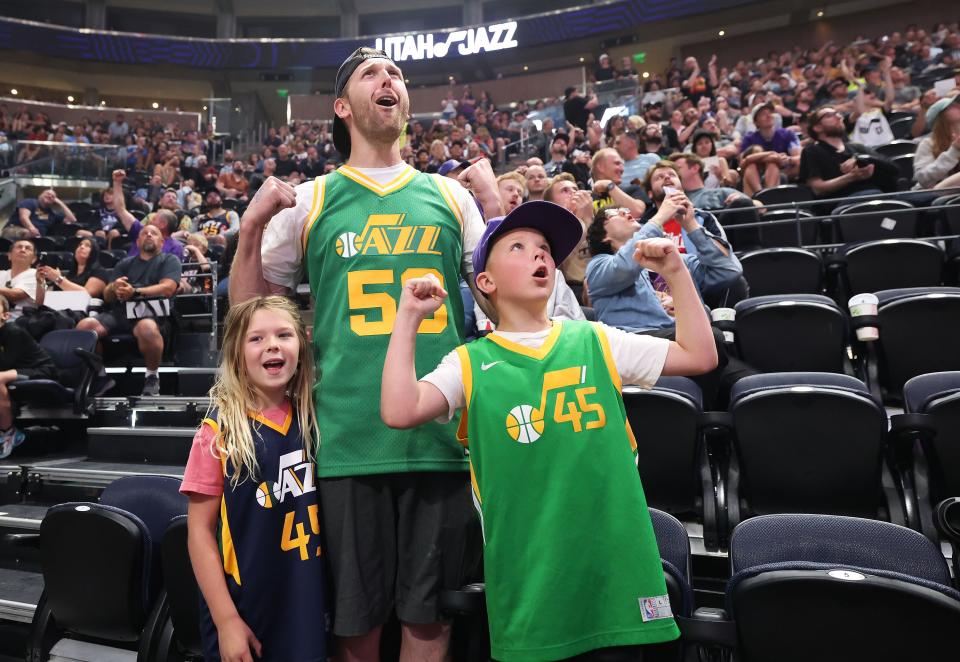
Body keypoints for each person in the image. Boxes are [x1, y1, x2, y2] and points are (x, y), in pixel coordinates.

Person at [229, 47, 495, 661]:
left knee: (432, 624)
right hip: (346, 437)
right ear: (343, 107)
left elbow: (504, 304)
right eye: (372, 74)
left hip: (441, 434)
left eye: (397, 74)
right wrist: (248, 231)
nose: (390, 81)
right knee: (357, 623)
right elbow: (251, 321)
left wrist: (497, 209)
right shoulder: (310, 200)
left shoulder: (451, 197)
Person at [381, 200, 718, 660]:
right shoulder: (468, 363)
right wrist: (408, 318)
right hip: (530, 584)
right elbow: (399, 410)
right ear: (486, 282)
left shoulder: (595, 339)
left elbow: (699, 356)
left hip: (616, 575)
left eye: (544, 249)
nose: (539, 255)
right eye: (518, 247)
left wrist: (677, 274)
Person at [181, 296, 327, 662]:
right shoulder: (217, 432)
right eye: (256, 338)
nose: (272, 345)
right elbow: (199, 533)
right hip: (246, 608)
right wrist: (226, 619)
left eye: (283, 334)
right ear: (236, 353)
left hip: (306, 599)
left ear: (302, 345)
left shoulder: (315, 419)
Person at [75, 224, 181, 397]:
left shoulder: (169, 260)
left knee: (146, 328)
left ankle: (152, 378)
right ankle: (100, 376)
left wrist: (136, 291)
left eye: (153, 233)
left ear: (162, 242)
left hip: (152, 311)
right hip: (121, 311)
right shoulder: (125, 263)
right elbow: (108, 296)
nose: (148, 235)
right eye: (144, 233)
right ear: (138, 242)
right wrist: (114, 288)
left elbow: (167, 288)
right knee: (84, 327)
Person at [0, 294, 58, 459]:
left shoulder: (13, 332)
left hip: (40, 370)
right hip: (16, 370)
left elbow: (5, 364)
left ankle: (8, 432)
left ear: (6, 315)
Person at [799, 107, 898, 201]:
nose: (838, 117)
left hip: (875, 197)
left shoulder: (857, 148)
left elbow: (895, 169)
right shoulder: (812, 151)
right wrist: (851, 177)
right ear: (817, 127)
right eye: (829, 115)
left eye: (837, 113)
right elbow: (818, 189)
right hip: (842, 203)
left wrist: (863, 158)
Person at [913, 95, 960, 190]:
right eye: (951, 105)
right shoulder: (928, 143)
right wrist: (954, 151)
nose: (957, 106)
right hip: (935, 196)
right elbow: (923, 179)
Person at [36, 237, 108, 298]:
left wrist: (58, 279)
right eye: (80, 245)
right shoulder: (69, 274)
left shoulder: (100, 272)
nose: (81, 247)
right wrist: (40, 282)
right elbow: (42, 299)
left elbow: (87, 294)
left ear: (94, 252)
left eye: (87, 246)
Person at [5, 189, 78, 240]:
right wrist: (32, 229)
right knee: (29, 234)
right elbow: (24, 217)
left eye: (53, 196)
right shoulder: (30, 202)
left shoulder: (52, 214)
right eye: (47, 194)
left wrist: (60, 203)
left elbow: (73, 219)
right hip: (15, 229)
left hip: (37, 237)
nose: (50, 196)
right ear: (40, 195)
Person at [0, 240, 39, 319]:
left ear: (34, 259)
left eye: (27, 248)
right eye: (19, 247)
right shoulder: (2, 274)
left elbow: (15, 295)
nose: (23, 250)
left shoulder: (36, 275)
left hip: (20, 320)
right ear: (9, 256)